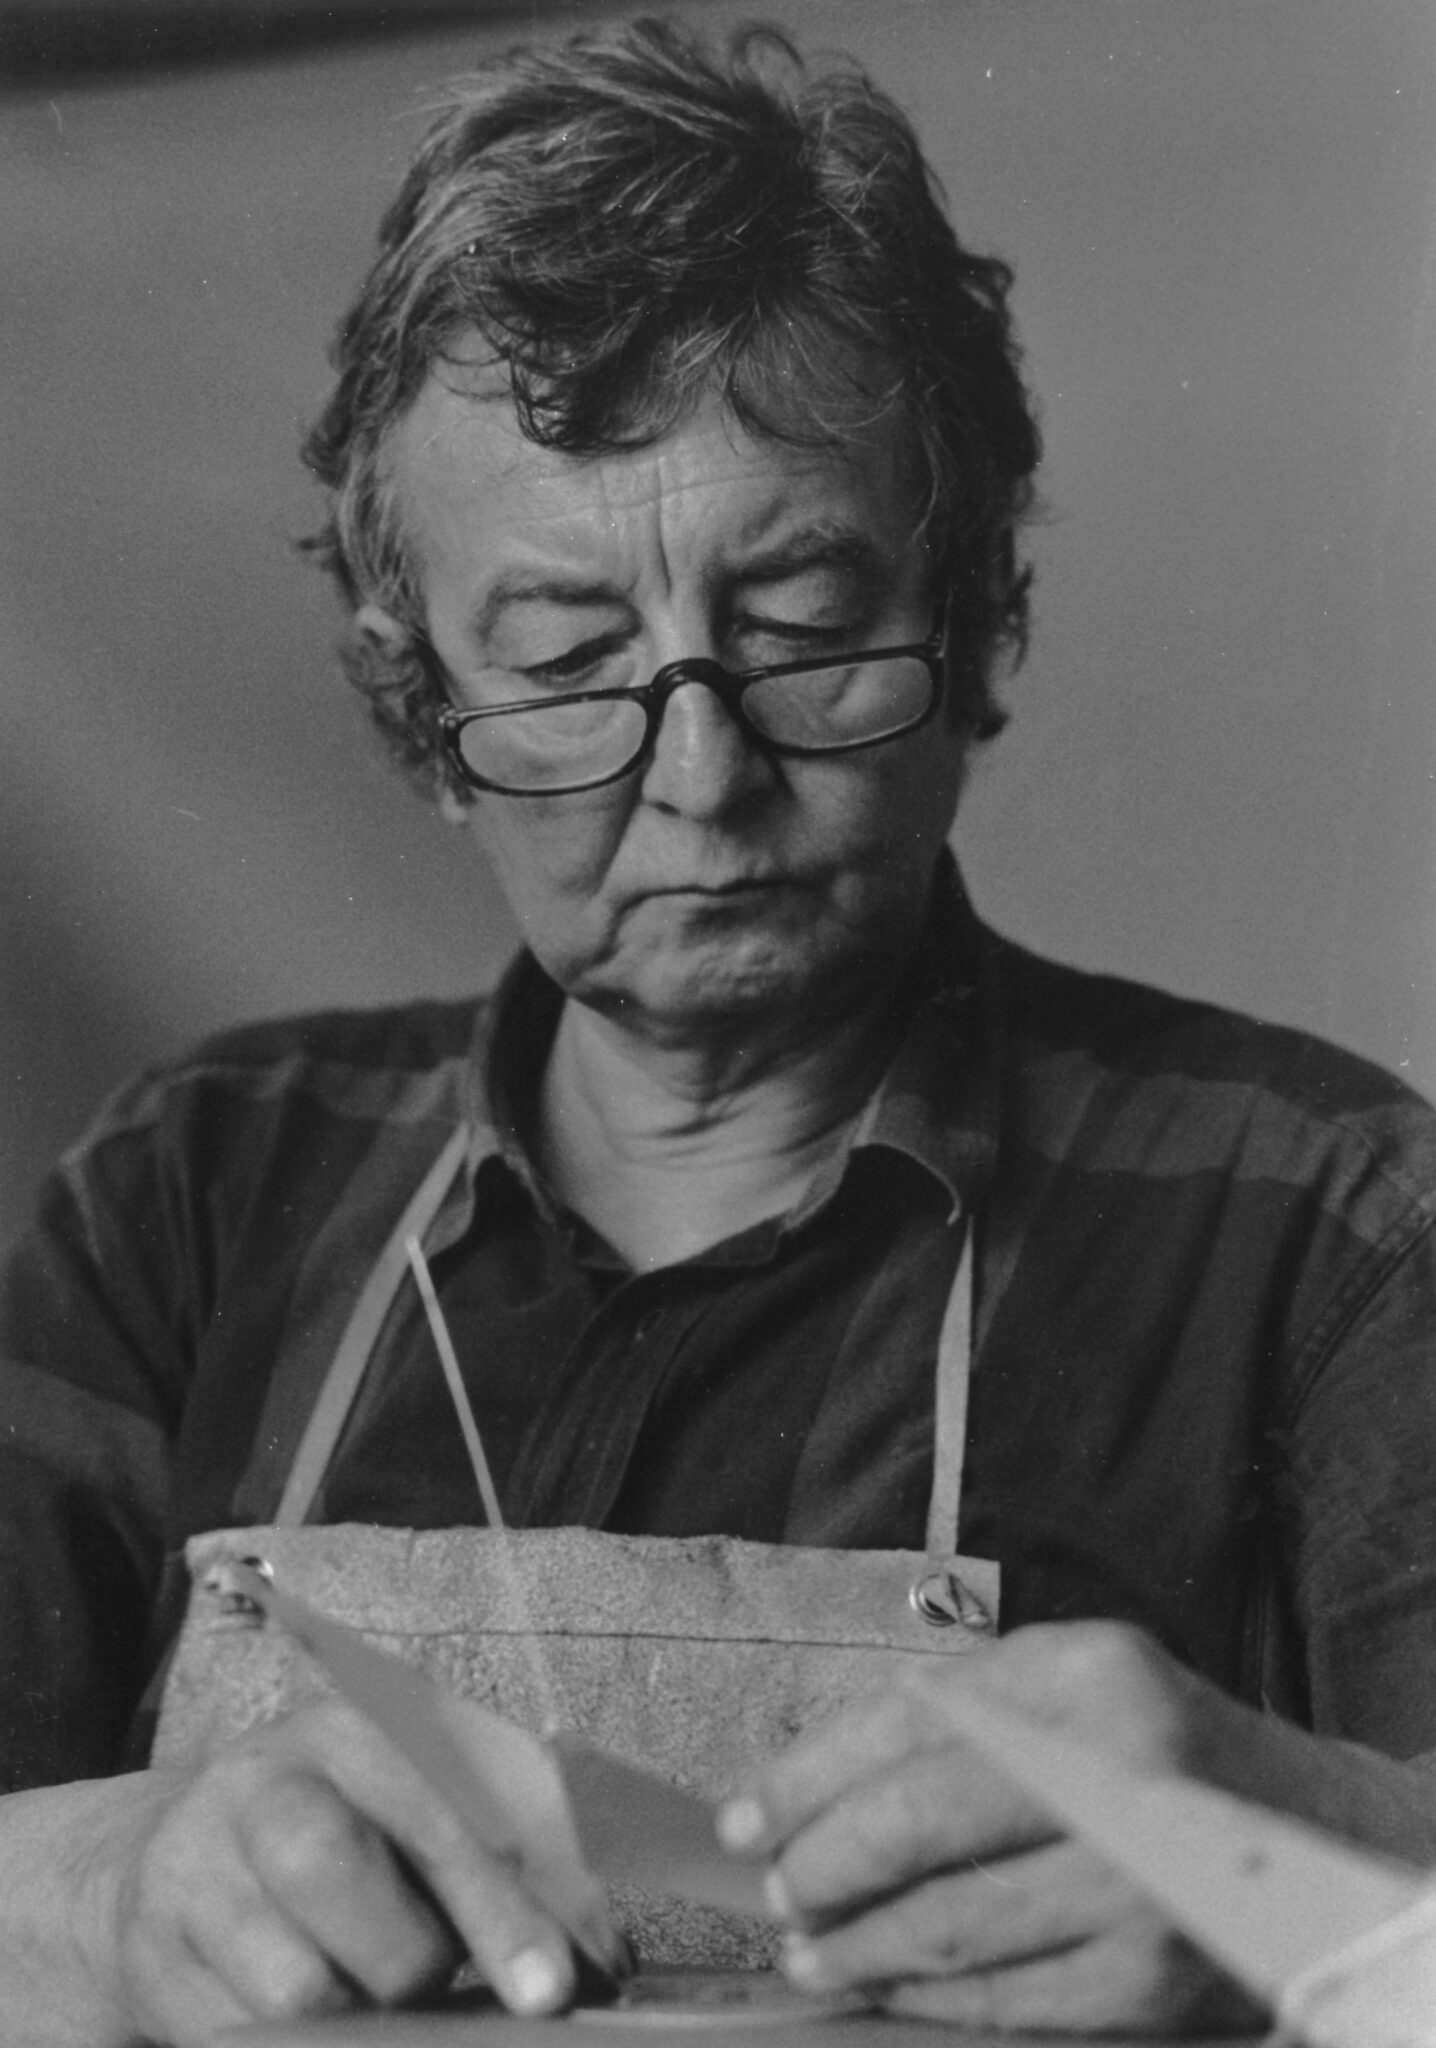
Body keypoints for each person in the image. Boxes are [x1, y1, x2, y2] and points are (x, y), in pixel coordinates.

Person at [2, 16, 1435, 2043]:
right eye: (566, 661)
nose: (703, 778)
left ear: (969, 618)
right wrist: (114, 1886)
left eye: (800, 630)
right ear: (425, 712)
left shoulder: (1331, 1226)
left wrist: (1302, 1858)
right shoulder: (190, 1196)